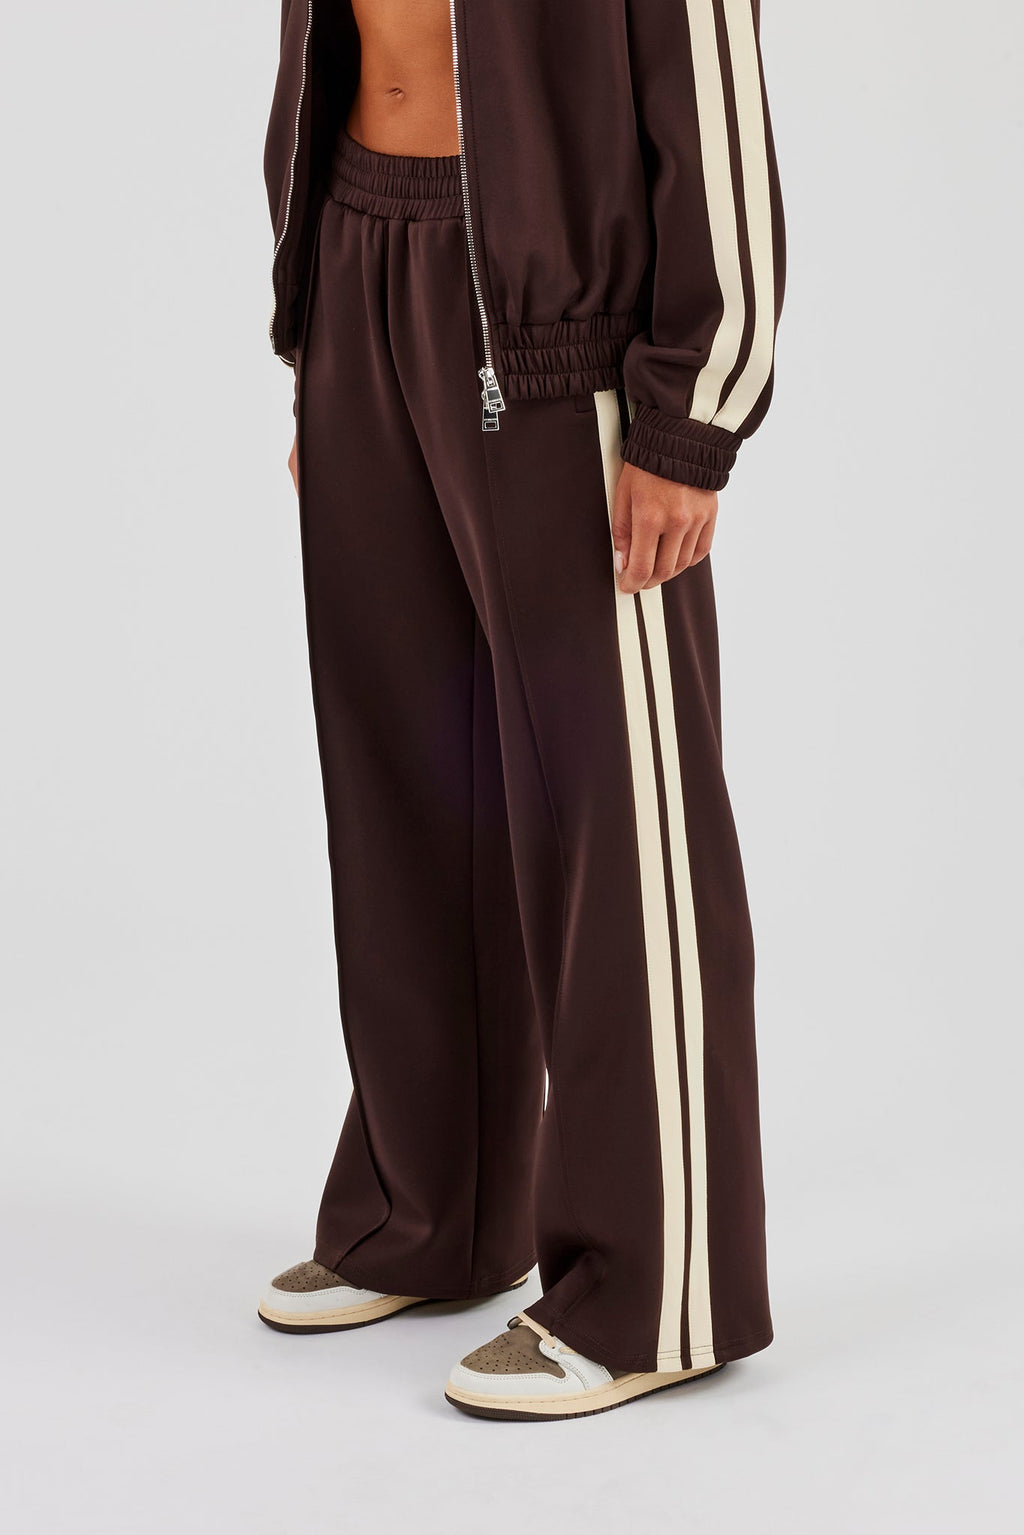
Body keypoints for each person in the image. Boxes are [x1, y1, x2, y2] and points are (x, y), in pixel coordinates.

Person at [258, 0, 785, 1422]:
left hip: (562, 333)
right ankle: (433, 1212)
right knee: (408, 789)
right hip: (367, 259)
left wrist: (694, 414)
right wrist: (325, 323)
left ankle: (655, 1289)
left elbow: (712, 92)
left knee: (616, 819)